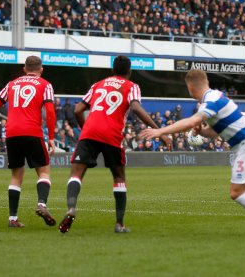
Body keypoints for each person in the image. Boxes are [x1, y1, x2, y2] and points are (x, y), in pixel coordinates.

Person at [139, 69, 245, 238]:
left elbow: (192, 120)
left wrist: (160, 131)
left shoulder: (211, 100)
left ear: (190, 87)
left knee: (236, 192)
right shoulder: (215, 97)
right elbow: (214, 131)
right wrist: (201, 132)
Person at [59, 55, 171, 234]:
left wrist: (85, 127)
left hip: (90, 132)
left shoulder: (97, 85)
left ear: (113, 70)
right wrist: (160, 131)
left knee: (76, 173)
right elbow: (135, 107)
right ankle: (119, 224)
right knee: (119, 177)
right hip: (112, 134)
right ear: (129, 71)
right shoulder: (131, 87)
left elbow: (78, 109)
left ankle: (71, 208)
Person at [0, 56, 56, 228]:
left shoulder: (11, 84)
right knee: (44, 171)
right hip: (33, 132)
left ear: (25, 69)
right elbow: (50, 110)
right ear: (41, 70)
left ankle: (12, 218)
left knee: (16, 176)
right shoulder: (45, 84)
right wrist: (52, 138)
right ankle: (41, 203)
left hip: (11, 133)